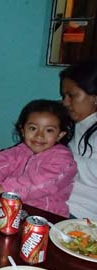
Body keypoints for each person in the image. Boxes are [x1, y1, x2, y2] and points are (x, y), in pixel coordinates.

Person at [0, 100, 76, 217]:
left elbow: (39, 184)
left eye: (49, 130)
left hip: (46, 216)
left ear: (60, 135)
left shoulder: (62, 159)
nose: (39, 135)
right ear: (23, 131)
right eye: (33, 128)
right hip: (12, 208)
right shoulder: (18, 151)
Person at [59, 62, 97, 219]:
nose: (65, 102)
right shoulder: (72, 124)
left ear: (94, 98)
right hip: (57, 202)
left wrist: (55, 157)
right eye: (64, 96)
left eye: (71, 96)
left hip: (82, 213)